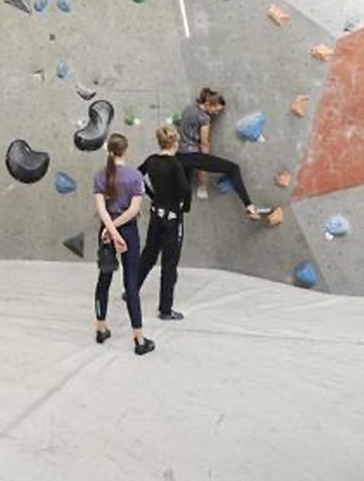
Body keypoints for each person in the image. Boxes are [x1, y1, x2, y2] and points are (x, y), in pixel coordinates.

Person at [92, 133, 155, 356]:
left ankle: (101, 329)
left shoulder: (100, 175)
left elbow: (101, 209)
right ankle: (139, 338)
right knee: (131, 283)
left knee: (104, 280)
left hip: (106, 232)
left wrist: (109, 230)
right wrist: (118, 231)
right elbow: (133, 210)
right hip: (128, 231)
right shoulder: (135, 176)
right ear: (125, 150)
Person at [177, 88, 260, 219]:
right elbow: (204, 144)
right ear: (208, 104)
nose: (216, 113)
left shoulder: (188, 109)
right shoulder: (204, 118)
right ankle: (249, 205)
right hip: (193, 155)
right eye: (216, 110)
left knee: (183, 190)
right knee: (233, 168)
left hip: (180, 156)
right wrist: (203, 177)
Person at [137, 126, 191, 321]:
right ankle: (165, 309)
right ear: (175, 142)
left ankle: (131, 290)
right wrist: (185, 206)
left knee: (149, 254)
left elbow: (137, 175)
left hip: (156, 213)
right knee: (169, 262)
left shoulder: (151, 161)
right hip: (172, 217)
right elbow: (185, 189)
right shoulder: (175, 164)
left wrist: (152, 194)